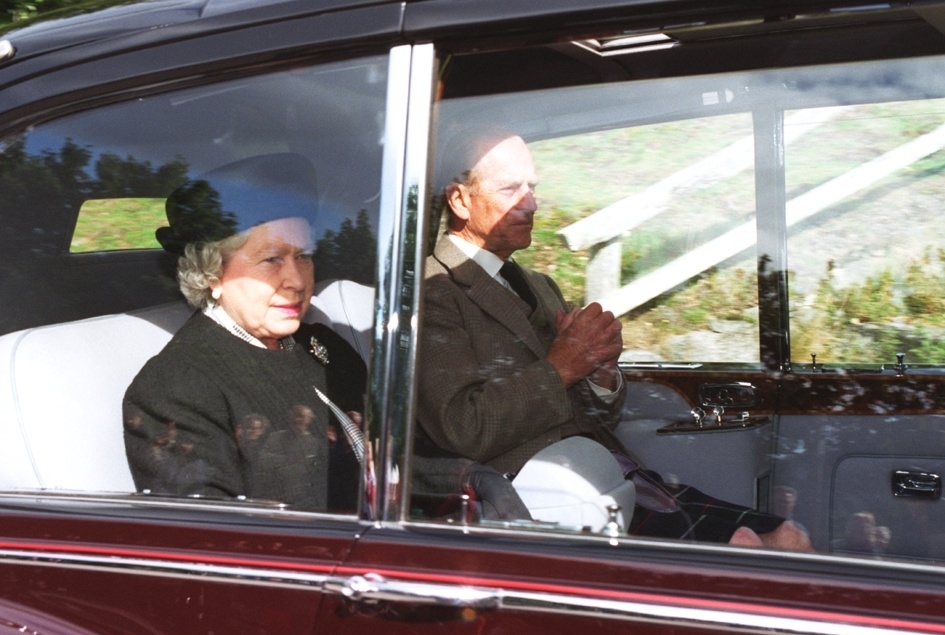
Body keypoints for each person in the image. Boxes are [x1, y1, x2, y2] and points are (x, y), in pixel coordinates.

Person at [416, 132, 811, 550]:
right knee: (744, 544)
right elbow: (462, 428)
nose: (530, 203)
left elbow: (589, 419)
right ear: (460, 200)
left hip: (613, 477)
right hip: (539, 501)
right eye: (510, 188)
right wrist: (563, 366)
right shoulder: (433, 290)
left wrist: (600, 376)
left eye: (532, 187)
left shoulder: (540, 285)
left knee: (789, 537)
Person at [123, 153, 366, 513]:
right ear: (212, 275)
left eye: (304, 256)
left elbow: (388, 453)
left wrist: (461, 477)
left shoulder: (323, 345)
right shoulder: (175, 387)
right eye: (272, 260)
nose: (298, 281)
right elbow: (212, 537)